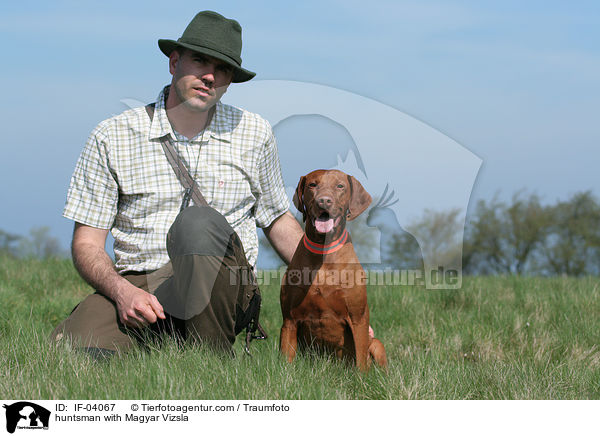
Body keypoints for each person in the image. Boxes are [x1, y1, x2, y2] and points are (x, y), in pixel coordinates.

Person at [50, 11, 303, 356]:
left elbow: (278, 220)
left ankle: (211, 367)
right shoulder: (112, 135)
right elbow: (88, 244)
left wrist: (331, 289)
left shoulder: (254, 133)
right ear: (174, 62)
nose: (210, 76)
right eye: (200, 61)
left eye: (223, 69)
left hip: (225, 285)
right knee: (73, 350)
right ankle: (158, 342)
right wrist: (123, 293)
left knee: (197, 223)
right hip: (142, 284)